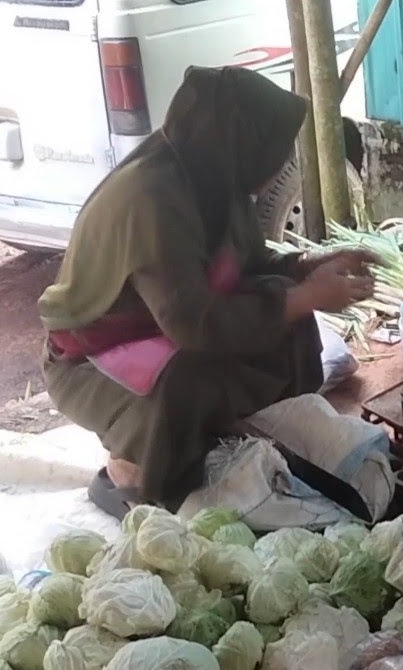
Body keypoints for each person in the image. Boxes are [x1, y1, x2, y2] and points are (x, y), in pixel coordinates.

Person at [39, 66, 376, 517]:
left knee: (289, 317)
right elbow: (193, 324)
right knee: (188, 382)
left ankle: (262, 435)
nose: (277, 164)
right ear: (244, 144)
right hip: (92, 359)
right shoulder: (154, 199)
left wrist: (310, 268)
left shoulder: (214, 176)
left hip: (165, 325)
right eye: (273, 150)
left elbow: (253, 269)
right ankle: (143, 477)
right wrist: (308, 296)